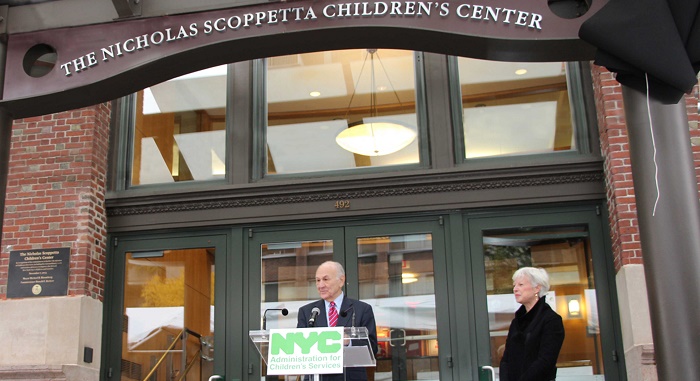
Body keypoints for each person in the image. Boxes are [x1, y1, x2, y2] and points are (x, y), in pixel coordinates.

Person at [297, 261, 378, 381]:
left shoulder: (361, 309)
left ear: (341, 280)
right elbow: (299, 348)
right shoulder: (307, 311)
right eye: (318, 280)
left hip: (351, 377)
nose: (320, 285)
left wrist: (348, 342)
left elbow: (372, 348)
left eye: (325, 279)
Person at [499, 267, 565, 381]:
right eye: (514, 285)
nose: (515, 289)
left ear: (537, 288)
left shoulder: (551, 320)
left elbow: (546, 360)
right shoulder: (516, 322)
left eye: (521, 284)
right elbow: (506, 359)